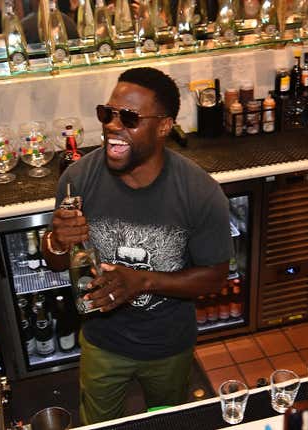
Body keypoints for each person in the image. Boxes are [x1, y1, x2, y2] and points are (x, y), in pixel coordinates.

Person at [41, 67, 231, 424]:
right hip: (101, 341)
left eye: (129, 117)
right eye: (107, 114)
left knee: (165, 420)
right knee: (99, 423)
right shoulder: (77, 179)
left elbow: (215, 276)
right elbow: (54, 259)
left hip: (168, 345)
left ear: (163, 126)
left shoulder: (199, 192)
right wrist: (55, 240)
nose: (113, 125)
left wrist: (143, 280)